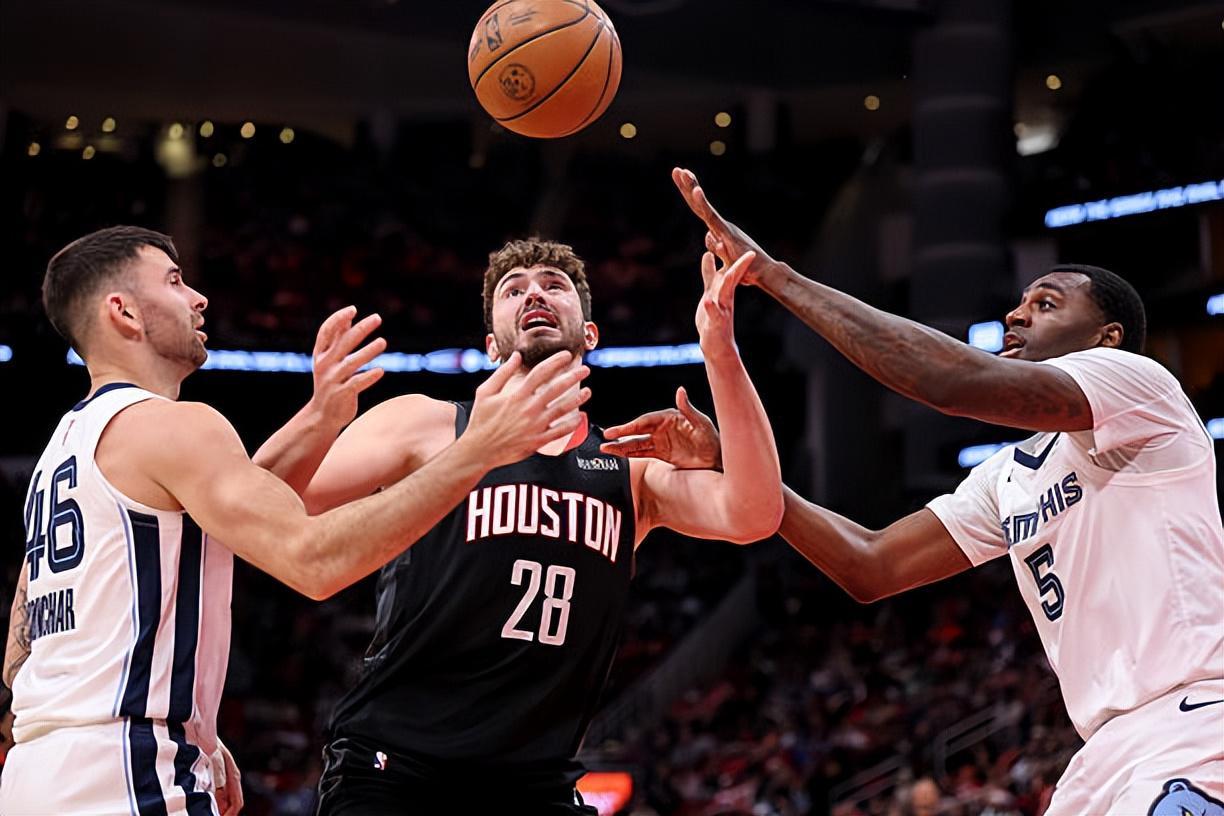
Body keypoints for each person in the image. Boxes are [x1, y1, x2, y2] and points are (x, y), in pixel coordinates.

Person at [602, 169, 1224, 815]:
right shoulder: (1009, 475)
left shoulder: (1140, 387)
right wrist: (736, 465)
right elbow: (871, 565)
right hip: (1101, 755)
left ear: (1106, 338)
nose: (1015, 314)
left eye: (1046, 304)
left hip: (1193, 721)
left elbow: (947, 382)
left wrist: (775, 276)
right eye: (1021, 302)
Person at [1, 226, 591, 815]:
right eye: (175, 282)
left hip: (36, 770)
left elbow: (18, 655)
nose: (198, 298)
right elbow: (313, 560)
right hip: (127, 773)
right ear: (124, 312)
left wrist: (321, 415)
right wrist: (477, 451)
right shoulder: (174, 424)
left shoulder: (64, 450)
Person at [256, 237, 784, 815]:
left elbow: (755, 513)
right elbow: (267, 504)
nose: (535, 293)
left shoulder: (630, 469)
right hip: (397, 769)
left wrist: (721, 354)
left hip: (537, 785)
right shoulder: (425, 425)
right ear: (491, 344)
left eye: (555, 285)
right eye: (514, 290)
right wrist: (318, 417)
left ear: (589, 333)